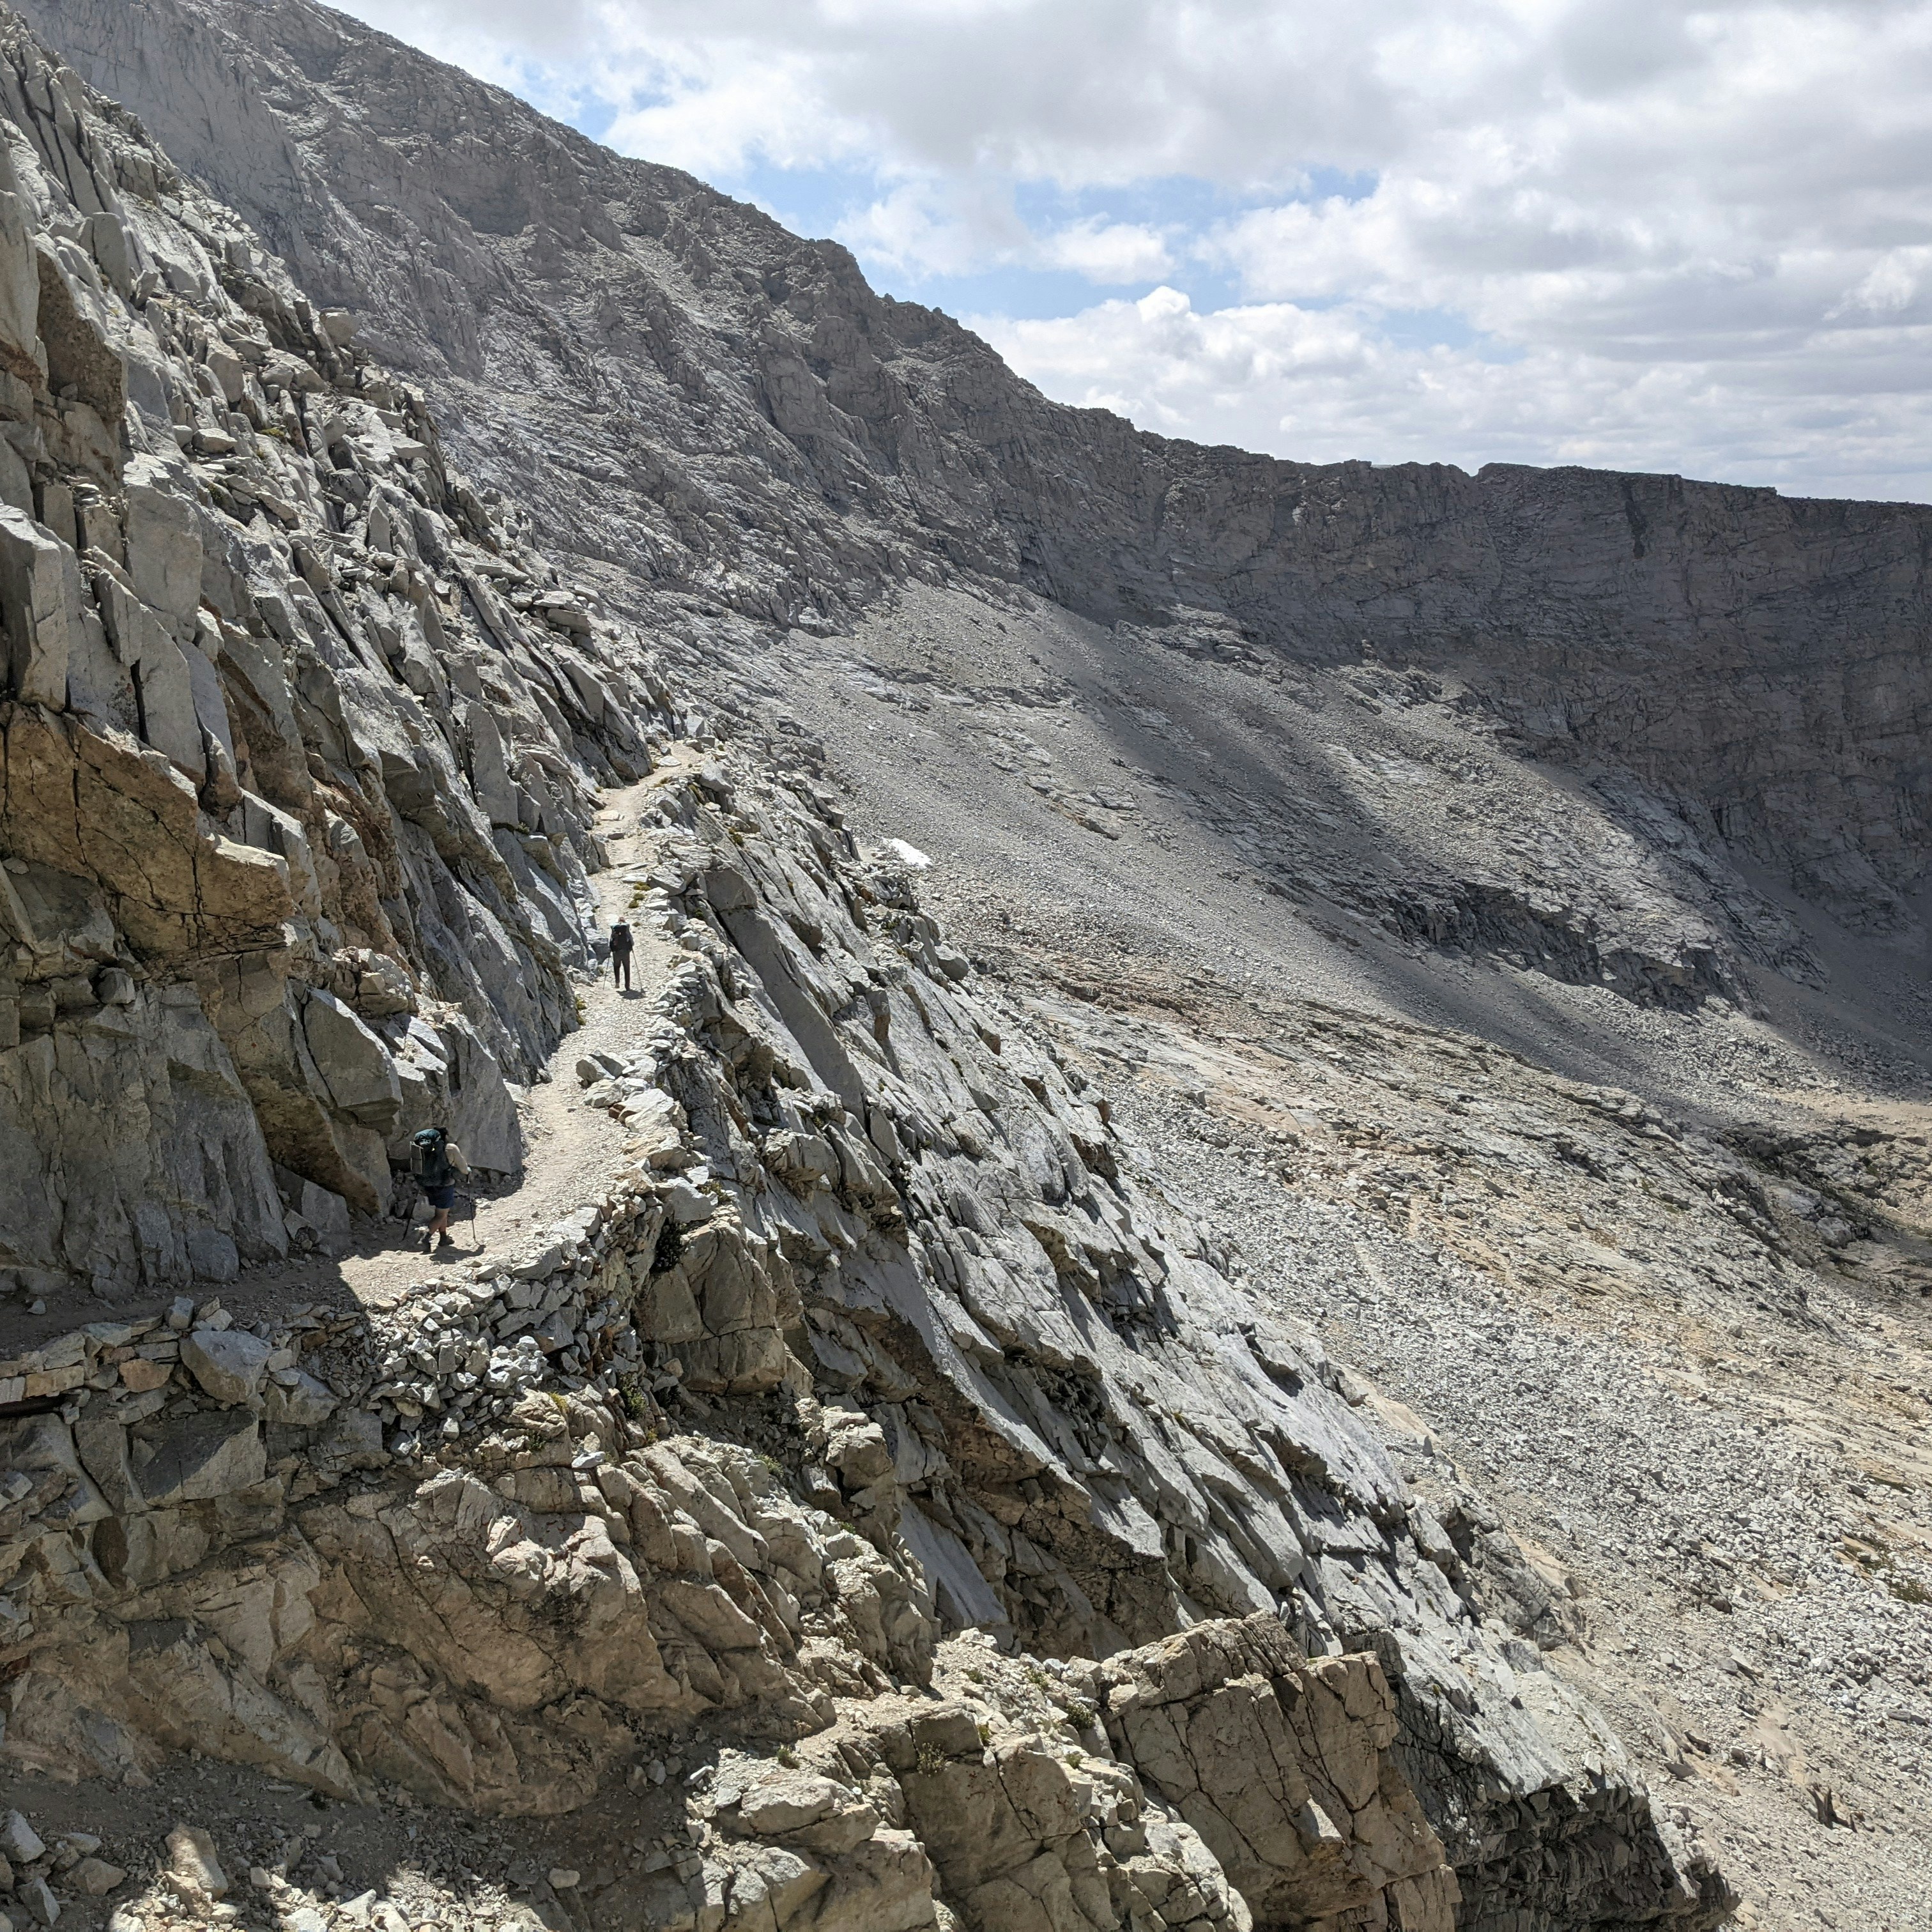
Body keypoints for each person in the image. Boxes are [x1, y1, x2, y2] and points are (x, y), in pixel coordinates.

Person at [410, 1124, 471, 1252]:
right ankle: (425, 1239)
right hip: (444, 1185)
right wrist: (468, 1171)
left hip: (426, 1184)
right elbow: (464, 1169)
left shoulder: (425, 1149)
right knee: (441, 1215)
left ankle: (444, 1238)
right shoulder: (450, 1148)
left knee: (441, 1212)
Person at [609, 917, 635, 991]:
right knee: (627, 969)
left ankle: (617, 982)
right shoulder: (626, 928)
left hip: (616, 952)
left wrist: (611, 949)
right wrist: (630, 948)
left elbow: (611, 940)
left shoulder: (614, 929)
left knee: (617, 967)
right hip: (626, 952)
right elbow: (632, 942)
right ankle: (627, 986)